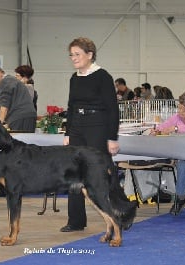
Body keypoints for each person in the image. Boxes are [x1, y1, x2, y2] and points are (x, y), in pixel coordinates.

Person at [61, 37, 119, 232]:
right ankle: (75, 220)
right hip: (77, 126)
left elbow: (112, 109)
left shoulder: (103, 76)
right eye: (71, 55)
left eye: (77, 54)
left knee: (102, 173)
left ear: (90, 55)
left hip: (98, 127)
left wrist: (112, 137)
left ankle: (121, 213)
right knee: (74, 171)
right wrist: (68, 132)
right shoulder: (74, 78)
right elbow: (71, 106)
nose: (73, 58)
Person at [0, 66, 37, 132]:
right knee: (27, 140)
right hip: (29, 116)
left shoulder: (5, 82)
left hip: (20, 117)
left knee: (19, 141)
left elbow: (4, 106)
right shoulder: (13, 80)